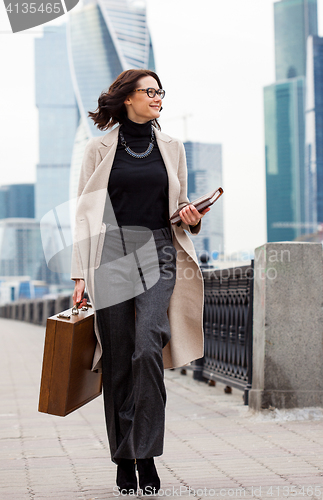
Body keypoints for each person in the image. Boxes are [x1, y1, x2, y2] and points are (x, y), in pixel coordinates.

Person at [71, 69, 210, 495]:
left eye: (160, 92)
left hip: (159, 253)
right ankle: (123, 460)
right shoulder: (98, 150)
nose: (158, 99)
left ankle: (146, 455)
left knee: (148, 345)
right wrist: (79, 273)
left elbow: (181, 204)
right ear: (127, 98)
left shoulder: (172, 147)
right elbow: (84, 213)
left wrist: (193, 216)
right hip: (111, 257)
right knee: (117, 360)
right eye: (150, 92)